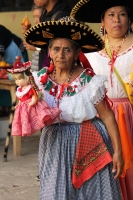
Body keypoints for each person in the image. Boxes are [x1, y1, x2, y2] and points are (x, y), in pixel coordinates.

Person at [24, 17, 124, 199]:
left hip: (88, 141)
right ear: (50, 52)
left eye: (67, 50)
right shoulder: (40, 80)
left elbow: (108, 116)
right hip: (54, 144)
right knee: (55, 192)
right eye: (56, 49)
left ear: (77, 52)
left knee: (92, 194)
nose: (61, 55)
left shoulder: (90, 81)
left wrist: (118, 152)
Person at [70, 0, 133, 199]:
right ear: (102, 22)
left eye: (122, 14)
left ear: (129, 19)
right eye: (111, 15)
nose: (117, 20)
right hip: (101, 117)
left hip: (130, 114)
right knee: (106, 169)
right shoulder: (90, 52)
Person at [7, 56, 61, 137]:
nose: (17, 82)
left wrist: (33, 100)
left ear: (27, 78)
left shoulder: (29, 88)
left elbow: (34, 95)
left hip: (32, 106)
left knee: (37, 117)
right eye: (16, 80)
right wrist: (18, 105)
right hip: (24, 108)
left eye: (19, 79)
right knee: (26, 120)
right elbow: (20, 99)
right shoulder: (20, 90)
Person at [0, 24, 28, 117]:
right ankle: (4, 107)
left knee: (19, 80)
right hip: (6, 61)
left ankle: (17, 110)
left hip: (17, 54)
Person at [34, 0, 71, 70]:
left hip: (59, 74)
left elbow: (63, 50)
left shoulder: (62, 16)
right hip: (46, 72)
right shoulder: (44, 15)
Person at [23, 4, 44, 72]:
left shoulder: (48, 32)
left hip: (43, 73)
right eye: (34, 17)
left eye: (38, 17)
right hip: (36, 72)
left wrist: (35, 48)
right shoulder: (38, 31)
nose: (35, 21)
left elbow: (49, 50)